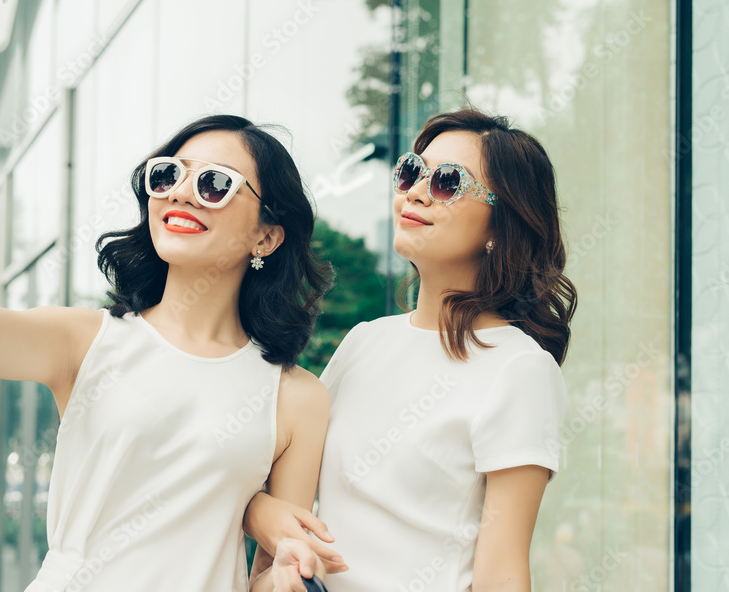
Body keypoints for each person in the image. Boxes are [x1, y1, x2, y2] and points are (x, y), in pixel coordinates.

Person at [0, 0, 334, 591]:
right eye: (167, 175)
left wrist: (289, 573)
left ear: (267, 234)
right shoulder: (87, 340)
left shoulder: (297, 397)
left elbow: (267, 579)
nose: (180, 193)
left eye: (215, 184)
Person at [244, 107, 577, 591]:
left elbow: (502, 573)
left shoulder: (520, 369)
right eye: (410, 171)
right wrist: (264, 518)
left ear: (499, 226)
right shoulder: (364, 342)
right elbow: (282, 490)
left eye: (447, 181)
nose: (415, 191)